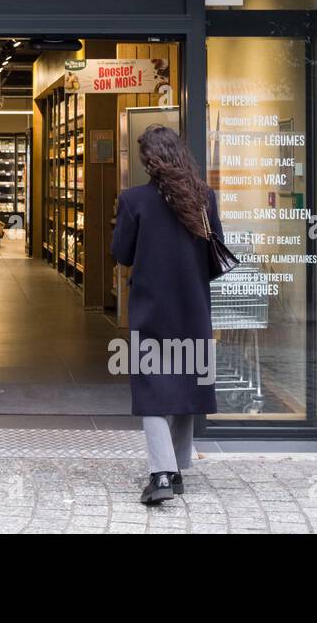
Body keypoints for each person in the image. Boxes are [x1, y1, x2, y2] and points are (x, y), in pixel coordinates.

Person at [110, 124, 221, 505]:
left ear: (148, 161)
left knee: (152, 390)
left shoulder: (133, 200)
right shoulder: (205, 198)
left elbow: (122, 253)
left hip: (151, 305)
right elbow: (214, 254)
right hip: (192, 303)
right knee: (186, 382)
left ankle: (161, 474)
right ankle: (177, 468)